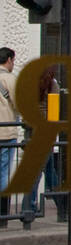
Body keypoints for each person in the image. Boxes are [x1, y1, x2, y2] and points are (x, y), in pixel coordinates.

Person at [24, 66, 64, 223]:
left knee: (48, 170)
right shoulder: (53, 85)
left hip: (32, 131)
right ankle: (29, 207)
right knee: (38, 171)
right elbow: (53, 113)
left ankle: (62, 205)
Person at [0, 47, 17, 229]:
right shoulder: (10, 79)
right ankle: (3, 214)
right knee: (3, 172)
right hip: (6, 133)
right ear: (9, 60)